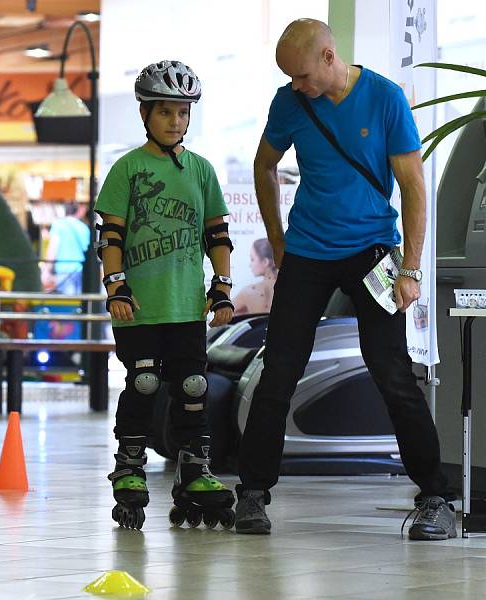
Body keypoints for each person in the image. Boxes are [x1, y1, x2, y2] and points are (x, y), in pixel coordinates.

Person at [234, 19, 455, 540]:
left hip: (373, 252)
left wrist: (411, 269)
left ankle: (435, 499)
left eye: (303, 75)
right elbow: (263, 167)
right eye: (289, 77)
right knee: (278, 373)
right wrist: (279, 240)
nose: (296, 86)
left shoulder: (384, 98)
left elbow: (413, 186)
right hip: (308, 252)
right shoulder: (289, 103)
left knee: (393, 374)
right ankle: (252, 494)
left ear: (330, 58)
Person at [95, 60, 236, 530]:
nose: (175, 121)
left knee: (193, 387)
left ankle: (195, 468)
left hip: (185, 305)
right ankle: (131, 466)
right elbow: (110, 237)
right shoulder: (128, 169)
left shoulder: (200, 170)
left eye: (182, 113)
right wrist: (115, 285)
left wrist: (221, 287)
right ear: (145, 114)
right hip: (138, 307)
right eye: (165, 113)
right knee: (144, 383)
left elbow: (217, 235)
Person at [42, 202, 90, 295]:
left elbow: (53, 249)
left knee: (68, 304)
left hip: (63, 271)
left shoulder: (59, 225)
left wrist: (47, 270)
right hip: (81, 271)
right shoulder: (84, 228)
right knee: (81, 304)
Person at [233, 238, 278, 314]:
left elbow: (221, 316)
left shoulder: (249, 291)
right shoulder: (291, 289)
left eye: (252, 259)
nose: (250, 265)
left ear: (265, 262)